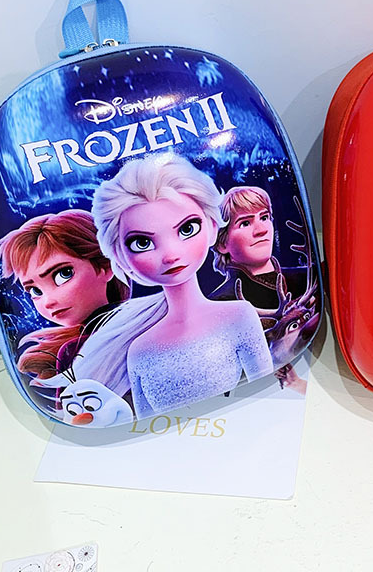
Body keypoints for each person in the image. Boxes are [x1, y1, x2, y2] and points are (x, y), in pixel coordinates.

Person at [74, 153, 273, 417]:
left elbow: (265, 392)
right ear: (120, 256)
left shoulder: (239, 315)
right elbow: (145, 422)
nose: (170, 255)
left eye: (187, 229)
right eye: (142, 243)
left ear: (212, 226)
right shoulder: (139, 350)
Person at [0, 209, 130, 382]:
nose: (48, 301)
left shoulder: (138, 323)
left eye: (64, 274)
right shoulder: (67, 350)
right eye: (35, 291)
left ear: (106, 266)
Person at [211, 186, 307, 307]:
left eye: (264, 217)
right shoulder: (220, 304)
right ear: (222, 243)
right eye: (245, 223)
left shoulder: (307, 277)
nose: (261, 230)